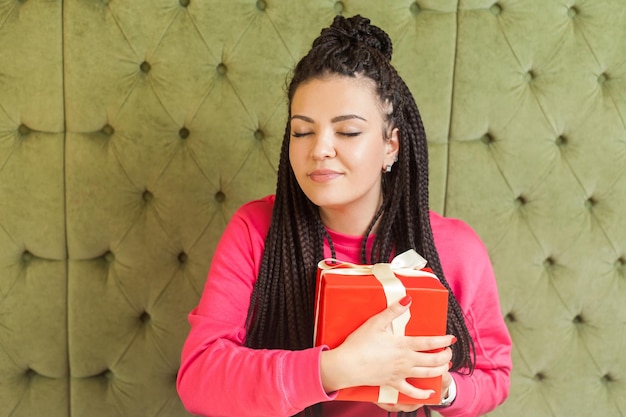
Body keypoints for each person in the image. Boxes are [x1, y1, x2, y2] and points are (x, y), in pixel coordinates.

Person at [177, 14, 512, 417]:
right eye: (302, 132)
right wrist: (335, 369)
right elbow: (199, 378)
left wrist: (443, 389)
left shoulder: (454, 247)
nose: (320, 149)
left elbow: (493, 375)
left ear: (391, 145)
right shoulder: (255, 230)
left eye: (348, 132)